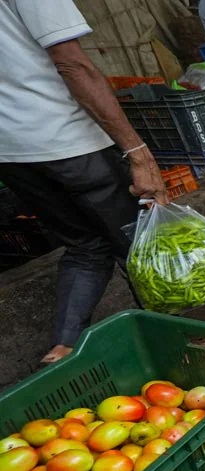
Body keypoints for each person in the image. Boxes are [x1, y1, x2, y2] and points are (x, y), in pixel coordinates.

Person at [0, 0, 168, 365]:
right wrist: (138, 151)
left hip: (12, 152)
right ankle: (176, 343)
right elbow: (74, 64)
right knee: (142, 246)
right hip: (68, 141)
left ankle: (64, 348)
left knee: (85, 245)